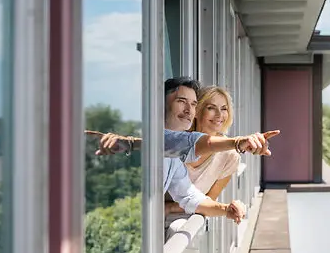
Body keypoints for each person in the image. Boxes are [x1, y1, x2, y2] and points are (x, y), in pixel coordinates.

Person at [86, 77, 279, 223]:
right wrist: (238, 143)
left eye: (193, 104)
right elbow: (188, 143)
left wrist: (227, 209)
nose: (188, 110)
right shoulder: (161, 140)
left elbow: (189, 196)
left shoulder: (172, 157)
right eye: (181, 101)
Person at [165, 86, 239, 215]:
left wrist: (169, 208)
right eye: (211, 108)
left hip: (187, 223)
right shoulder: (175, 141)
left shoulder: (229, 156)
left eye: (224, 109)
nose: (219, 115)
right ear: (196, 111)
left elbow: (209, 200)